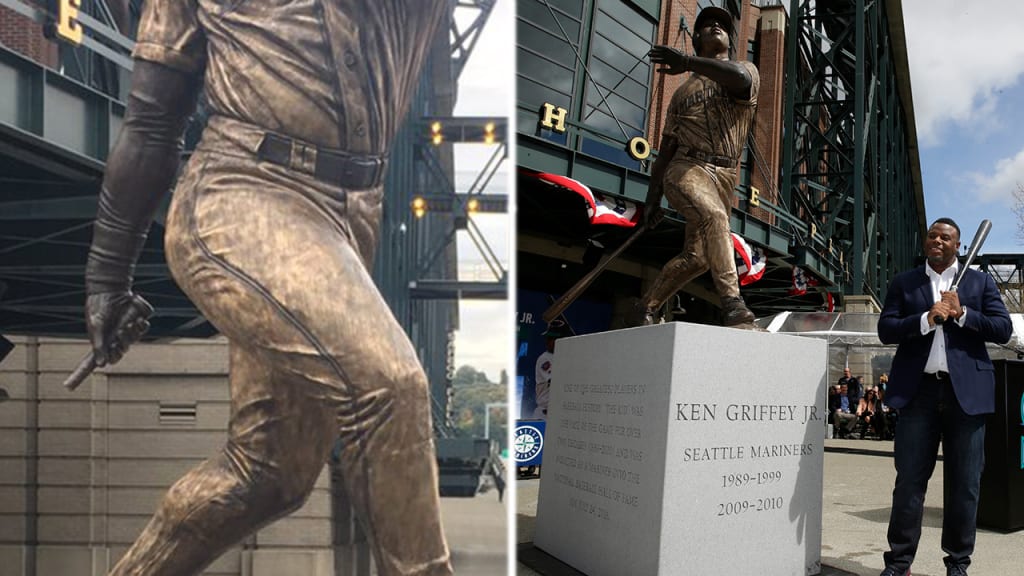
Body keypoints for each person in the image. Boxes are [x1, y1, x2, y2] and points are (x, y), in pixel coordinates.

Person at [81, 3, 452, 575]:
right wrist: (107, 276)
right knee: (390, 390)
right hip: (241, 190)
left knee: (268, 474)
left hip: (351, 213)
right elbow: (153, 122)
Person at [876, 217, 1011, 576]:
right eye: (932, 235)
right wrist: (925, 319)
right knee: (908, 484)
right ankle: (899, 563)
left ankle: (957, 563)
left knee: (965, 485)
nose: (937, 240)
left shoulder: (979, 282)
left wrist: (963, 313)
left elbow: (1003, 329)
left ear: (958, 245)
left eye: (945, 237)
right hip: (917, 393)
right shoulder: (905, 283)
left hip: (965, 395)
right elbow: (886, 329)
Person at [631, 6, 760, 328]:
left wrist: (687, 63)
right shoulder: (682, 93)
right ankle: (732, 303)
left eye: (721, 25)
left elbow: (740, 80)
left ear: (729, 38)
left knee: (699, 258)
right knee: (715, 218)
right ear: (697, 38)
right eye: (706, 25)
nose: (715, 26)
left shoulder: (745, 68)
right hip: (687, 168)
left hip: (725, 175)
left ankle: (646, 306)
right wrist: (651, 200)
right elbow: (665, 153)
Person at [533, 320, 567, 419]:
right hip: (545, 413)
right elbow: (557, 380)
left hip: (558, 413)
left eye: (552, 338)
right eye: (548, 337)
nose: (548, 341)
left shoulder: (567, 357)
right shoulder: (545, 358)